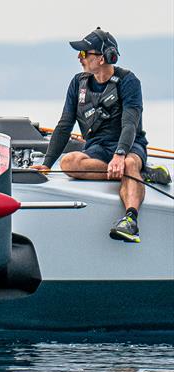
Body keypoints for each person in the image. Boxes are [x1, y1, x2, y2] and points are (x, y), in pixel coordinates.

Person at [31, 28, 151, 243]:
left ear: (104, 58)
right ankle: (135, 176)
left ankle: (130, 220)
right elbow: (65, 123)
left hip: (129, 144)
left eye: (85, 53)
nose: (79, 57)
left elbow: (130, 123)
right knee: (69, 162)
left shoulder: (129, 81)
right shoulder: (78, 83)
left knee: (131, 164)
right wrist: (48, 163)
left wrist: (121, 154)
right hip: (97, 147)